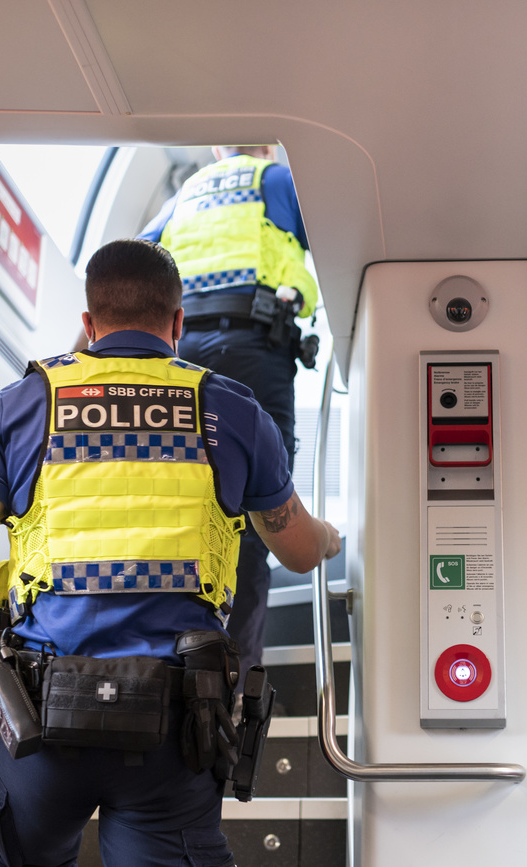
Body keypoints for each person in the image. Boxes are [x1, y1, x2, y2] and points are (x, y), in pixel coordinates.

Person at [0, 239, 340, 867]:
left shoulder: (20, 408)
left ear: (89, 324)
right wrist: (333, 536)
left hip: (37, 722)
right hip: (177, 731)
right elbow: (300, 551)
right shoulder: (230, 409)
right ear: (179, 324)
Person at [139, 145, 320, 677]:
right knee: (256, 516)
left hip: (178, 357)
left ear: (216, 151)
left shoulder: (183, 197)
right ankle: (232, 695)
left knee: (175, 509)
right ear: (267, 145)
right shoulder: (279, 179)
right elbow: (343, 239)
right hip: (254, 348)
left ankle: (162, 673)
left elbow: (126, 265)